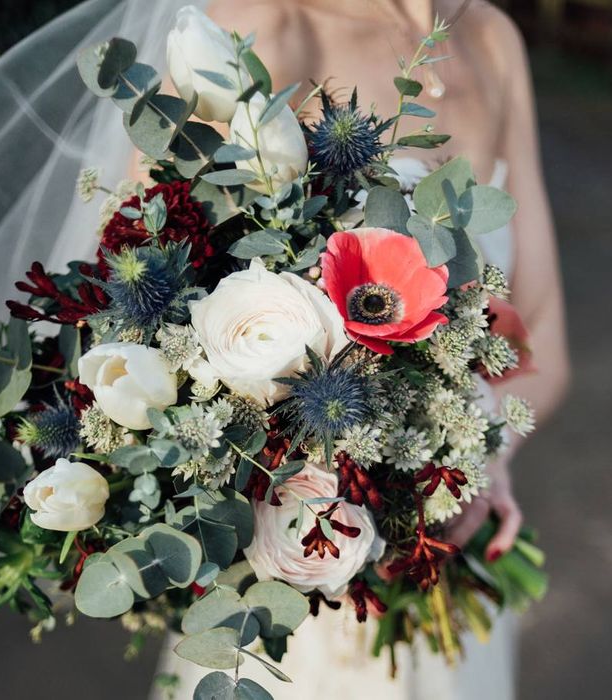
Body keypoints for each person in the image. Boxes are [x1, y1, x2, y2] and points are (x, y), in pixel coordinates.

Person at [150, 1, 569, 698]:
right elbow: (158, 321)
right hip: (289, 603)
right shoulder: (251, 29)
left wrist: (471, 456)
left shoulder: (493, 40)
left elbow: (547, 346)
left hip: (449, 569)